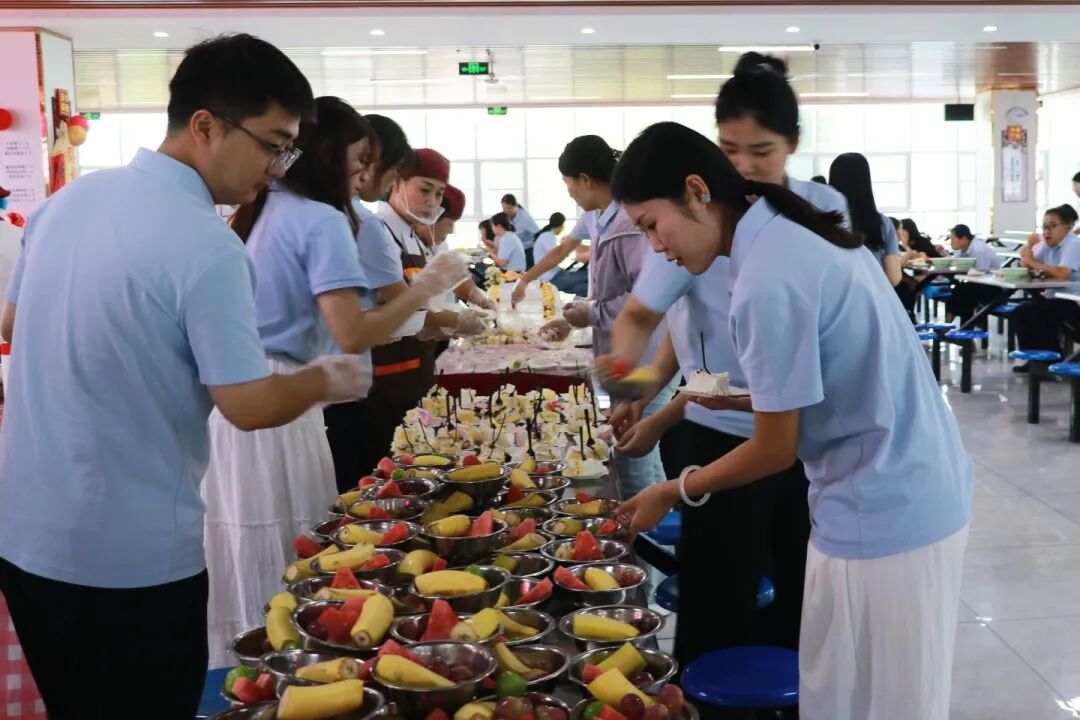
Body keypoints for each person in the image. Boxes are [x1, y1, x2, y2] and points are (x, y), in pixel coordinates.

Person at [0, 35, 376, 717]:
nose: (276, 169)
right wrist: (328, 379)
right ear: (206, 125)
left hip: (26, 538)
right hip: (131, 555)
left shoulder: (69, 202)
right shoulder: (206, 243)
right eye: (272, 145)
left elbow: (11, 322)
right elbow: (248, 405)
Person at [611, 121, 973, 720]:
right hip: (890, 489)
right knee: (839, 694)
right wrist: (748, 399)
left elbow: (775, 450)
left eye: (652, 224)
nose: (654, 246)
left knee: (881, 703)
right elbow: (834, 379)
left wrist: (671, 490)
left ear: (697, 190)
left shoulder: (766, 274)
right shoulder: (786, 231)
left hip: (887, 506)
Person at [201, 97, 468, 665]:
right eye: (359, 159)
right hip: (285, 395)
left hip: (242, 392)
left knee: (246, 544)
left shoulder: (267, 205)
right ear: (329, 155)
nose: (365, 175)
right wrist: (426, 289)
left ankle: (246, 671)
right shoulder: (320, 218)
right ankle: (295, 668)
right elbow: (353, 331)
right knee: (293, 547)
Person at [607, 52, 841, 673]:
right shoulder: (701, 225)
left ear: (792, 144)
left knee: (797, 584)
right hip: (724, 425)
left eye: (760, 150)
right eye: (730, 149)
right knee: (719, 595)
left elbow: (779, 408)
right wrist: (643, 390)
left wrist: (669, 473)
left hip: (797, 435)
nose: (744, 165)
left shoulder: (791, 232)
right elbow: (673, 332)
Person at [539, 134, 676, 497]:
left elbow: (648, 295)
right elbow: (609, 289)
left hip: (648, 359)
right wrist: (575, 318)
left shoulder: (629, 224)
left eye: (568, 182)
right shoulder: (601, 218)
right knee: (644, 453)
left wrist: (592, 312)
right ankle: (661, 523)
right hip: (628, 359)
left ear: (585, 179)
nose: (569, 192)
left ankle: (644, 532)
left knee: (631, 463)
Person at [363, 150, 489, 476]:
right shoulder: (377, 232)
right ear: (396, 182)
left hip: (415, 372)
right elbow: (383, 315)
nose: (432, 202)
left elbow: (418, 306)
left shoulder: (414, 238)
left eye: (438, 194)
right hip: (382, 382)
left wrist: (445, 321)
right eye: (424, 189)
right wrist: (450, 320)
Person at [323, 113, 413, 492]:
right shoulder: (354, 221)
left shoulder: (326, 215)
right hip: (336, 384)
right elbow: (395, 306)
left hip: (325, 386)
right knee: (352, 489)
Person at [1012, 205, 1080, 371]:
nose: (1047, 232)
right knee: (1021, 312)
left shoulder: (1074, 244)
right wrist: (1029, 248)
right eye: (1044, 227)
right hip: (1055, 298)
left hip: (1074, 301)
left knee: (1039, 314)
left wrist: (1031, 262)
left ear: (1067, 227)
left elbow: (1062, 273)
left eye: (1052, 226)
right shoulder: (1048, 245)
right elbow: (1028, 264)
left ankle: (1052, 363)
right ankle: (1034, 362)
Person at [829, 152, 902, 286]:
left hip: (831, 295)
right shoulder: (882, 223)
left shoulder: (823, 221)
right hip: (873, 295)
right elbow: (894, 278)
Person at [943, 224, 1003, 324]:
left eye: (953, 239)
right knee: (961, 291)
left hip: (994, 288)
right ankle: (960, 326)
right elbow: (957, 263)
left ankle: (952, 323)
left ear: (964, 239)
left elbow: (980, 273)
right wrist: (944, 253)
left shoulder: (979, 250)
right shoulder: (964, 248)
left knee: (963, 292)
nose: (951, 242)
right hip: (977, 286)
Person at [501, 193, 540, 265]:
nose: (506, 211)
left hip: (528, 251)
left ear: (515, 206)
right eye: (504, 209)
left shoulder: (525, 218)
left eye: (508, 208)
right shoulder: (505, 216)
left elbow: (539, 234)